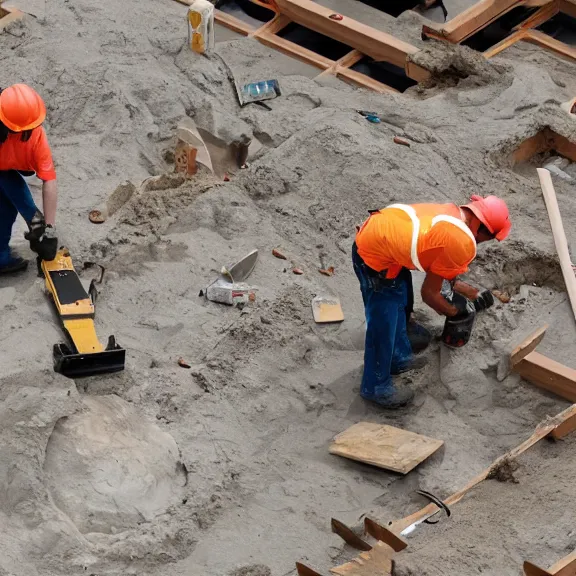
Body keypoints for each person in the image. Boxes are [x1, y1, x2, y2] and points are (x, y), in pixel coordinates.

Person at [352, 196, 511, 409]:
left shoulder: (452, 213)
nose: (482, 243)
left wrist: (468, 292)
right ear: (482, 229)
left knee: (400, 300)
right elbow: (429, 294)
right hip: (373, 258)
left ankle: (398, 358)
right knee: (384, 322)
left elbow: (440, 262)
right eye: (488, 238)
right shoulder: (462, 240)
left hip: (385, 244)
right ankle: (375, 386)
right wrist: (455, 313)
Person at [0, 83, 58, 274]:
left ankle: (1, 256)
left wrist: (49, 229)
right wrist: (33, 216)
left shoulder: (36, 136)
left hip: (8, 167)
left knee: (6, 205)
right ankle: (33, 220)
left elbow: (48, 179)